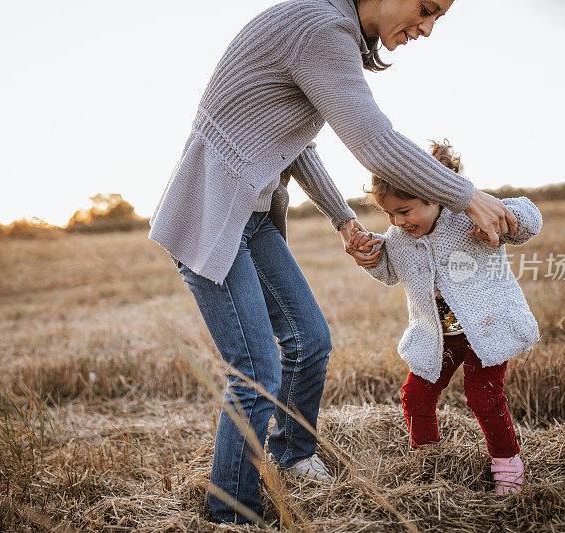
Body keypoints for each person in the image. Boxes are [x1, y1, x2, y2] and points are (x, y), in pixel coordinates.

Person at [149, 0, 518, 524]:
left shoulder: (326, 31)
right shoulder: (321, 27)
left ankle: (293, 457)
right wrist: (466, 195)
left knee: (310, 340)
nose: (429, 28)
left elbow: (293, 146)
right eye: (427, 7)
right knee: (256, 370)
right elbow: (374, 141)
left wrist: (343, 218)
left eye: (439, 17)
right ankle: (230, 514)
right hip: (210, 211)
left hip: (248, 217)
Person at [348, 140, 542, 494]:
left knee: (483, 395)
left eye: (404, 211)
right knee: (415, 396)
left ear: (435, 193)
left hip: (488, 328)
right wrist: (371, 256)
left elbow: (528, 217)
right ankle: (429, 462)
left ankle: (507, 464)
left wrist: (503, 224)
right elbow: (390, 272)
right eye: (389, 214)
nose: (397, 221)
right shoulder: (399, 237)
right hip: (440, 336)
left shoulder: (471, 213)